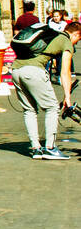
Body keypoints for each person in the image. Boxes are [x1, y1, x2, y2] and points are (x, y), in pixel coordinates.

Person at [11, 20, 79, 159]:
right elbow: (65, 72)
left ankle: (36, 148)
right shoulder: (65, 41)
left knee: (29, 110)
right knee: (52, 108)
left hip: (16, 70)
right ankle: (50, 148)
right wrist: (67, 97)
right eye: (78, 39)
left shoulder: (50, 35)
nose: (76, 43)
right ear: (76, 34)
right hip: (34, 71)